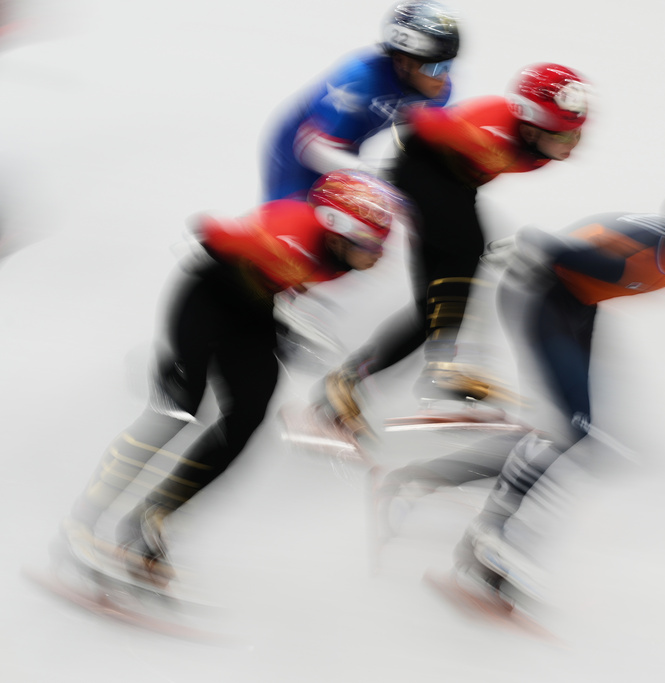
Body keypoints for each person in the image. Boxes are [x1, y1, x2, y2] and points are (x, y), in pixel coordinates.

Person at [376, 181, 665, 609]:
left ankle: (423, 480)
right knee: (568, 433)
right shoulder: (634, 255)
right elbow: (548, 246)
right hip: (542, 297)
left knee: (569, 434)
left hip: (576, 304)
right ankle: (484, 540)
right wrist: (527, 245)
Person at [64, 170, 408, 586]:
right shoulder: (290, 232)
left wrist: (281, 328)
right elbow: (210, 235)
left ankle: (151, 521)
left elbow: (273, 280)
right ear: (339, 232)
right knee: (178, 411)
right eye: (372, 244)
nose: (379, 257)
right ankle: (84, 520)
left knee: (248, 416)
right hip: (205, 297)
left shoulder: (337, 259)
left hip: (251, 309)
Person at [319, 62, 591, 434]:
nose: (573, 144)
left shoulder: (533, 145)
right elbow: (415, 124)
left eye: (577, 133)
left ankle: (346, 382)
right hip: (422, 171)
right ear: (530, 127)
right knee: (469, 248)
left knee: (431, 310)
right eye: (564, 135)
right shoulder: (489, 131)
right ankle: (443, 369)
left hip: (455, 183)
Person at [262, 1, 460, 201]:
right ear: (402, 61)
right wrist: (373, 175)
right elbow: (309, 149)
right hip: (300, 151)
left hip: (345, 151)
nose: (443, 77)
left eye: (448, 65)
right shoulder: (360, 78)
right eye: (434, 67)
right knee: (295, 215)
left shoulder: (438, 92)